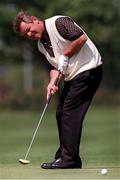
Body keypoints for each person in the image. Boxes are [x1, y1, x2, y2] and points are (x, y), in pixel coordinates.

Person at [13, 11, 103, 169]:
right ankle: (65, 155)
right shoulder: (41, 45)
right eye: (25, 35)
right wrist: (52, 82)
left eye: (28, 29)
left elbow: (81, 37)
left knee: (69, 112)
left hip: (89, 69)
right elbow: (54, 67)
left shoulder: (58, 22)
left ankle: (69, 159)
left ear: (34, 20)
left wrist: (66, 54)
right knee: (61, 111)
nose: (29, 34)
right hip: (73, 75)